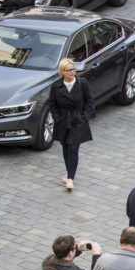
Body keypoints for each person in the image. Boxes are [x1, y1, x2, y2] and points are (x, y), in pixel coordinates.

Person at [51, 58, 95, 192]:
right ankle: (68, 172)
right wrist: (57, 118)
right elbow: (52, 104)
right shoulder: (56, 86)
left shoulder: (82, 83)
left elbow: (89, 102)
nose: (72, 72)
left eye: (73, 69)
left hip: (78, 121)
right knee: (66, 148)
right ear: (62, 72)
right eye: (69, 70)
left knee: (74, 149)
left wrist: (84, 117)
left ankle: (70, 178)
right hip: (64, 122)